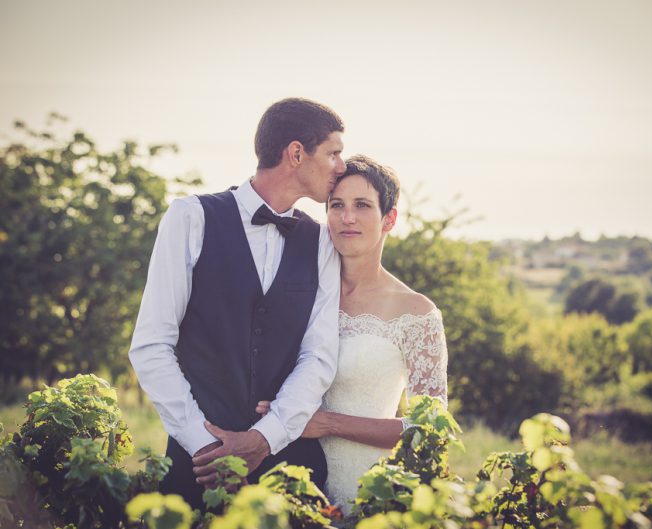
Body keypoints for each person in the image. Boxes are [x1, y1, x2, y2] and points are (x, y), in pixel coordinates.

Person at [128, 97, 345, 509]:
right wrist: (204, 445)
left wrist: (265, 438)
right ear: (296, 153)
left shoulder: (321, 242)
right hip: (197, 468)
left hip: (290, 472)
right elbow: (152, 345)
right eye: (333, 152)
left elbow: (318, 355)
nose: (341, 166)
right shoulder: (189, 218)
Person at [257, 155, 448, 514]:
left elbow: (430, 429)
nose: (347, 217)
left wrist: (327, 423)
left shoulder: (417, 312)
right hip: (285, 485)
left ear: (388, 218)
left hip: (365, 491)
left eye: (362, 205)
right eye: (337, 205)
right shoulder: (302, 293)